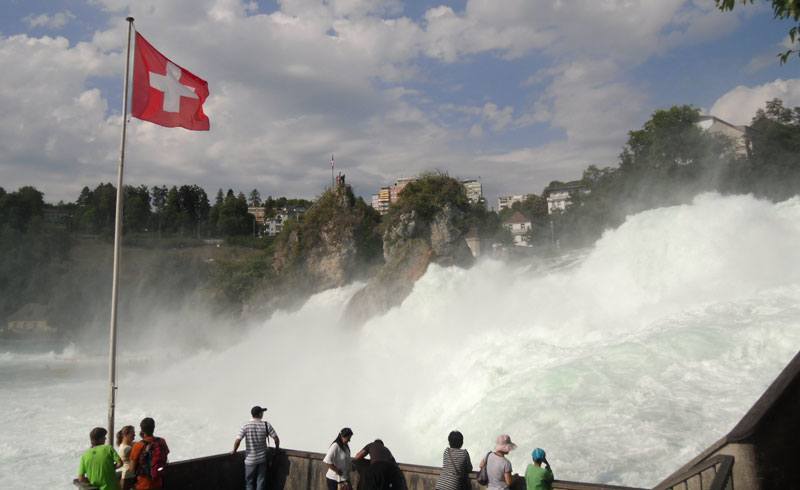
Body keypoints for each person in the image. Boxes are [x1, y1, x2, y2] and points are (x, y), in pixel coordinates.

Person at [232, 405, 281, 490]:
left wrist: (234, 451)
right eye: (262, 412)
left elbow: (238, 440)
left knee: (249, 482)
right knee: (260, 481)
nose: (263, 414)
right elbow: (276, 439)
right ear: (259, 414)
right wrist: (276, 449)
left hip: (250, 460)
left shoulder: (246, 425)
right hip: (262, 459)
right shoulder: (266, 425)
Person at [129, 417, 170, 490]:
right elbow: (165, 457)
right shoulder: (161, 441)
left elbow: (132, 469)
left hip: (142, 484)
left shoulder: (138, 445)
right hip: (158, 482)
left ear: (142, 430)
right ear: (154, 427)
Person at [116, 425, 137, 490]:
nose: (134, 435)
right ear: (126, 435)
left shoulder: (122, 445)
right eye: (132, 433)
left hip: (125, 475)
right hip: (129, 476)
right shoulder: (128, 448)